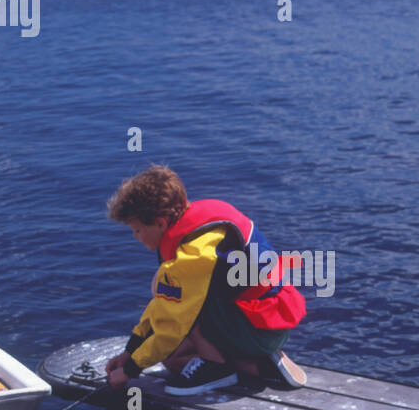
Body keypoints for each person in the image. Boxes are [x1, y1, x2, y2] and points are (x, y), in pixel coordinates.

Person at [104, 166, 307, 396]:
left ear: (160, 223)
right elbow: (162, 307)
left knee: (184, 313)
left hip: (259, 329)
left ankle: (219, 369)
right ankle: (255, 364)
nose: (135, 237)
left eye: (138, 230)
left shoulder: (194, 255)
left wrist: (130, 371)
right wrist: (131, 352)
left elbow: (172, 323)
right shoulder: (202, 225)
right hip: (267, 318)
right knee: (172, 358)